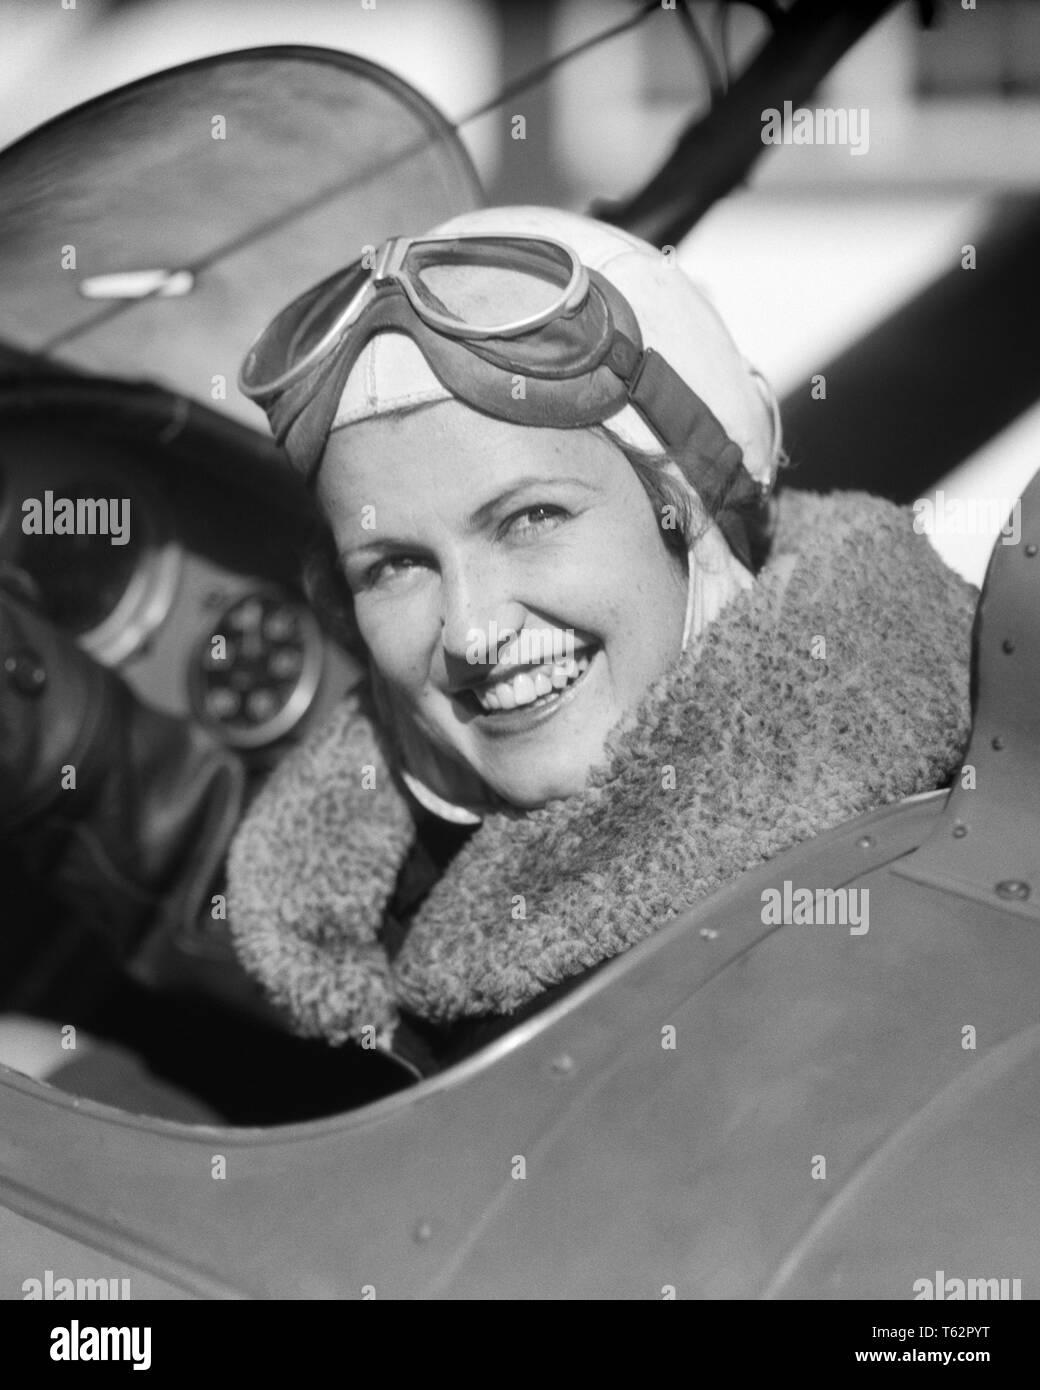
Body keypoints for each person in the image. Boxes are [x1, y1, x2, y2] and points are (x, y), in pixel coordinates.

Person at [227, 205, 975, 1078]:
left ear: (693, 505)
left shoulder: (899, 907)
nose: (469, 631)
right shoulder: (383, 888)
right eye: (394, 566)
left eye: (529, 518)